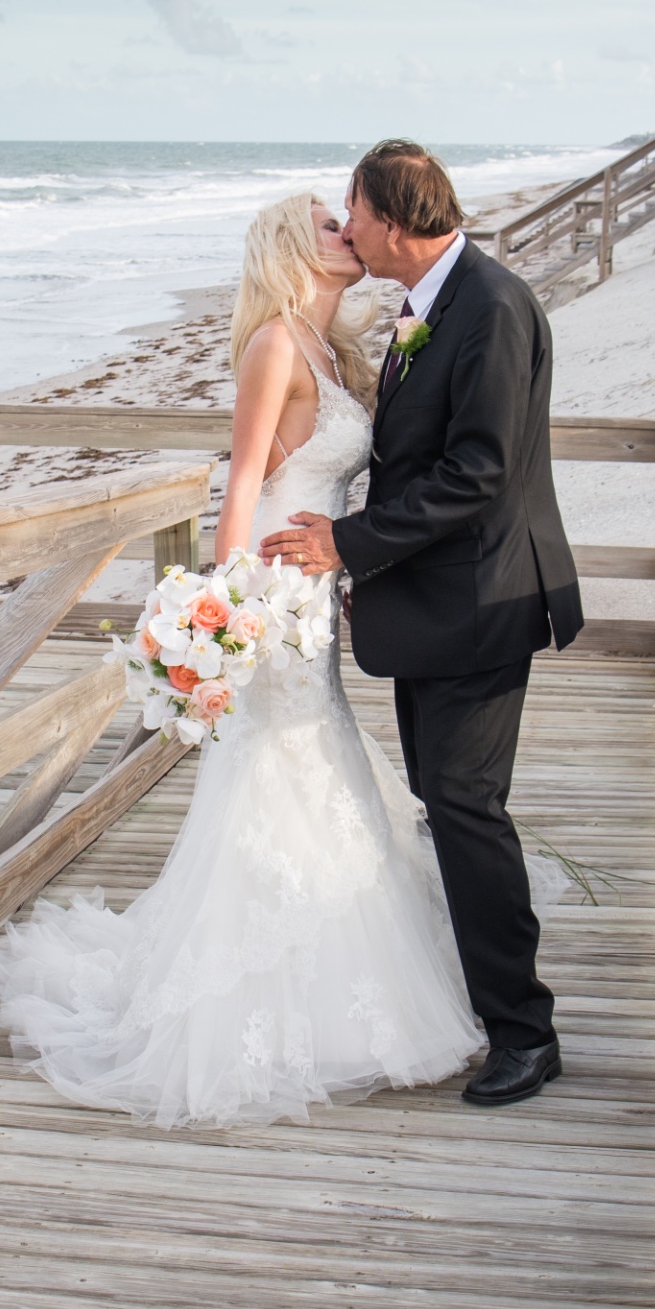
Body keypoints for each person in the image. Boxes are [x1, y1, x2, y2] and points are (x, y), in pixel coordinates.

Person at [0, 191, 485, 1129]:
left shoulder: (329, 349)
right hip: (271, 583)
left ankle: (330, 959)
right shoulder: (275, 344)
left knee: (320, 758)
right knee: (276, 760)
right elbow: (241, 480)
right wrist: (222, 607)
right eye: (327, 224)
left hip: (310, 585)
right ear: (289, 248)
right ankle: (260, 991)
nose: (345, 232)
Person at [260, 138, 583, 1107]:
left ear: (393, 220)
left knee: (467, 807)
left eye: (352, 210)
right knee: (449, 806)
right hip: (434, 606)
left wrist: (347, 543)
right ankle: (484, 1004)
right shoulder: (429, 304)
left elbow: (478, 472)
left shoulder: (489, 306)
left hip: (484, 601)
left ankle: (525, 1032)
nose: (345, 227)